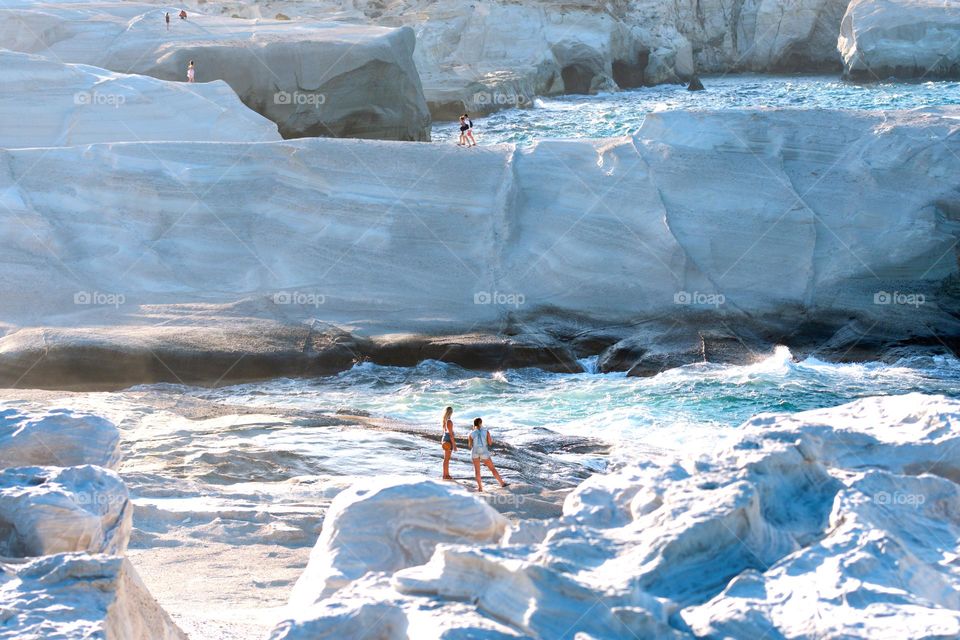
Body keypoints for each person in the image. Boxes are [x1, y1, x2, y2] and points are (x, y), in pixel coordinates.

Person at [468, 418, 506, 492]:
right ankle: (502, 483)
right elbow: (490, 443)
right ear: (481, 423)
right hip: (484, 452)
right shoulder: (486, 432)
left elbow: (470, 445)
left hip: (475, 452)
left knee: (477, 471)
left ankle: (480, 488)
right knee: (492, 468)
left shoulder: (471, 434)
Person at [440, 406, 457, 480]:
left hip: (445, 439)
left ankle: (446, 474)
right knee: (447, 459)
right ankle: (445, 475)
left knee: (446, 459)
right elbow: (450, 435)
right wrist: (454, 445)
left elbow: (444, 433)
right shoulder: (449, 421)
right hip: (448, 440)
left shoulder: (444, 420)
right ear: (451, 412)